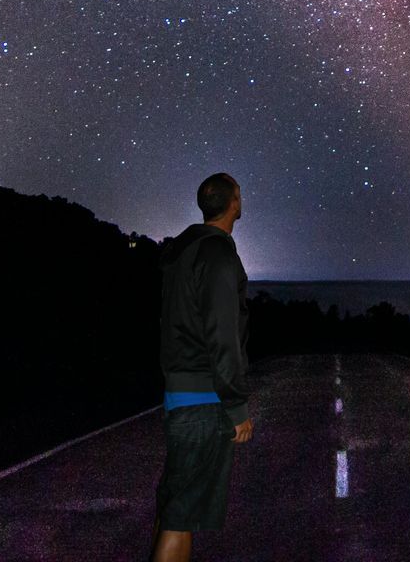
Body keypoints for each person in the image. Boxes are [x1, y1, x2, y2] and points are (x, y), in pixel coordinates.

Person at [150, 172, 252, 562]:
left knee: (177, 508)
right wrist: (237, 408)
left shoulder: (183, 252)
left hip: (179, 393)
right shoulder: (218, 254)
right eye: (239, 196)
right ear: (234, 203)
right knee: (181, 517)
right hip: (204, 399)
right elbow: (223, 334)